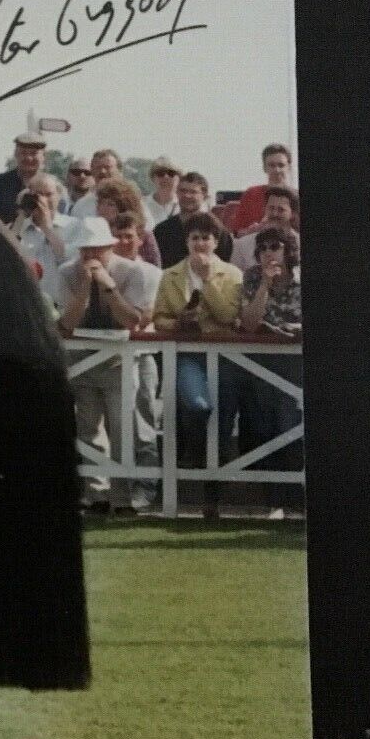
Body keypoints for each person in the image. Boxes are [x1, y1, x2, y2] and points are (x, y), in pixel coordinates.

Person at [57, 216, 159, 512]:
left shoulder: (134, 272)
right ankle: (97, 495)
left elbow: (133, 321)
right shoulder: (67, 273)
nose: (90, 256)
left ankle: (123, 498)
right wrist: (85, 289)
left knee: (123, 428)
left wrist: (108, 286)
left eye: (97, 249)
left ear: (110, 247)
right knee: (88, 427)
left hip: (120, 360)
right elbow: (67, 324)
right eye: (85, 250)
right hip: (81, 358)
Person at [152, 212, 243, 513]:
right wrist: (179, 321)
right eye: (195, 237)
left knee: (223, 422)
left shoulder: (231, 274)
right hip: (188, 355)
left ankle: (212, 497)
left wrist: (207, 282)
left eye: (206, 237)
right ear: (186, 242)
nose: (200, 243)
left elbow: (228, 316)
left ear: (216, 242)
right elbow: (159, 319)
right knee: (198, 406)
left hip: (225, 356)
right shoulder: (170, 275)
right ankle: (192, 454)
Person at [235, 226, 304, 518]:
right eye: (262, 248)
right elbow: (250, 323)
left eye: (274, 247)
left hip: (296, 365)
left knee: (291, 426)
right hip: (261, 364)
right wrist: (264, 284)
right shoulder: (251, 277)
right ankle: (273, 500)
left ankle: (296, 502)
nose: (268, 253)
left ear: (287, 250)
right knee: (265, 428)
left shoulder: (303, 277)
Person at [108, 213, 166, 511]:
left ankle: (145, 487)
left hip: (141, 356)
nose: (123, 241)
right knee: (112, 426)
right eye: (118, 235)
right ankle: (111, 488)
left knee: (143, 424)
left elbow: (143, 317)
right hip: (106, 356)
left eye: (129, 235)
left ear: (140, 239)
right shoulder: (105, 270)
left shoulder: (151, 273)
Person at [9, 172, 82, 307]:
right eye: (37, 195)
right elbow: (5, 257)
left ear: (59, 196)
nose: (42, 200)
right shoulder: (18, 228)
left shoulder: (75, 226)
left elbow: (69, 261)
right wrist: (21, 215)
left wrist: (47, 228)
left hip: (60, 305)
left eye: (48, 194)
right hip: (26, 305)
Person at [153, 169, 234, 268]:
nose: (187, 195)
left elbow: (225, 264)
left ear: (204, 195)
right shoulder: (162, 230)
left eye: (193, 192)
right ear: (177, 193)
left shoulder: (217, 229)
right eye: (183, 191)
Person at [92, 177, 162, 266]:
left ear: (124, 207)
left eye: (110, 204)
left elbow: (155, 269)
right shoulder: (94, 234)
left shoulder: (142, 235)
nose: (102, 209)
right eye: (101, 203)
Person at [0, 131, 48, 225]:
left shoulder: (53, 187)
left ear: (44, 156)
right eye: (23, 153)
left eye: (34, 153)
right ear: (16, 154)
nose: (28, 158)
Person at [230, 143, 295, 235]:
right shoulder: (251, 194)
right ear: (264, 168)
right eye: (272, 165)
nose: (277, 170)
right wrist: (255, 230)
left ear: (289, 168)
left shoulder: (296, 197)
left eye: (281, 165)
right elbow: (236, 234)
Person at [231, 185, 299, 273]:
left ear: (292, 213)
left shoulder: (299, 243)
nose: (275, 213)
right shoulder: (242, 245)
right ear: (264, 209)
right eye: (271, 208)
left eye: (281, 210)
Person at [143, 155, 181, 227]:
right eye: (160, 173)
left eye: (171, 173)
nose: (166, 177)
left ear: (179, 179)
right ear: (153, 178)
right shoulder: (142, 205)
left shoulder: (184, 206)